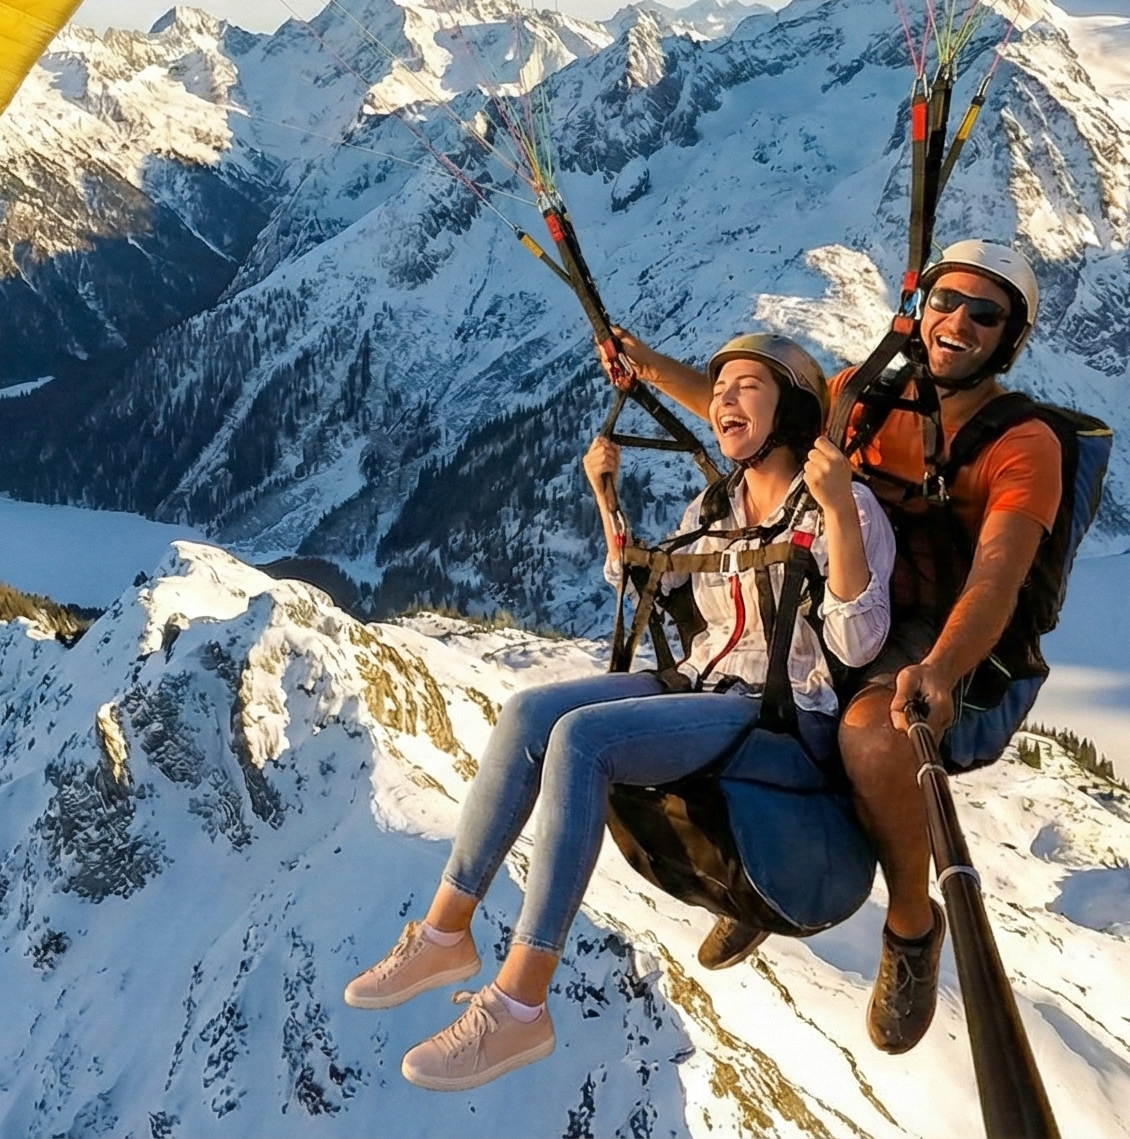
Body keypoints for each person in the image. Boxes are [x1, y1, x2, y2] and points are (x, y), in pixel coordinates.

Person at [341, 333, 895, 1091]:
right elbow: (654, 588)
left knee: (583, 742)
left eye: (747, 388)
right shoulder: (717, 502)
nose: (724, 400)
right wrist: (607, 501)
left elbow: (859, 641)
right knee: (529, 714)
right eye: (720, 387)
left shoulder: (846, 505)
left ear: (794, 409)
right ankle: (445, 931)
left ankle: (522, 1003)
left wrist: (835, 510)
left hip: (781, 712)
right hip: (701, 683)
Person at [612, 240, 1060, 1056]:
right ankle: (765, 877)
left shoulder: (1023, 445)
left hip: (935, 617)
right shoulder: (863, 393)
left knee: (870, 735)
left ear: (1010, 334)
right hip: (838, 574)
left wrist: (941, 668)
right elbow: (759, 413)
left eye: (983, 313)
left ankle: (912, 930)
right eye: (945, 302)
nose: (956, 321)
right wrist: (648, 368)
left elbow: (996, 575)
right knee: (742, 693)